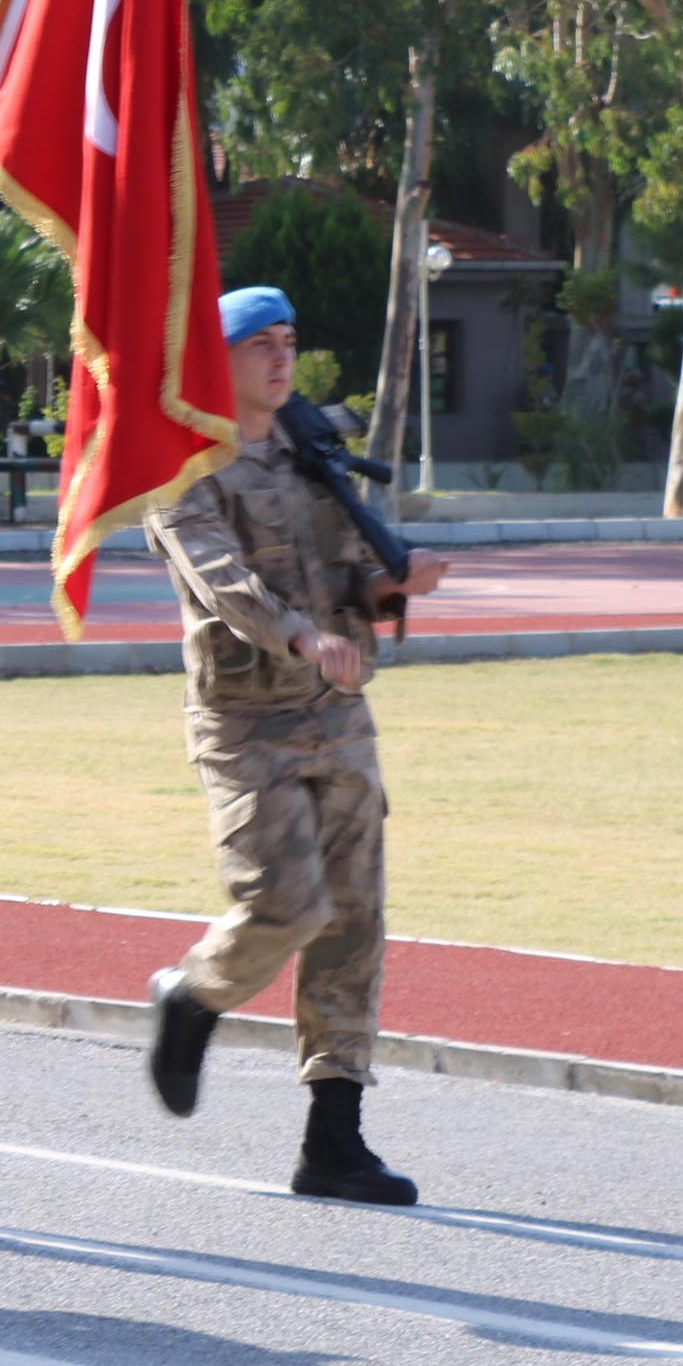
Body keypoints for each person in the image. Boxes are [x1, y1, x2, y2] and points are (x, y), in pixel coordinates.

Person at [139, 286, 452, 1203]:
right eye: (259, 344)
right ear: (216, 359)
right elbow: (221, 581)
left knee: (353, 919)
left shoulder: (311, 453)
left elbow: (345, 572)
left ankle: (334, 1137)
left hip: (338, 713)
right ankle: (193, 996)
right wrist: (304, 635)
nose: (281, 359)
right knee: (285, 906)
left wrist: (395, 585)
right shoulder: (185, 469)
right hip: (248, 724)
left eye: (289, 340)